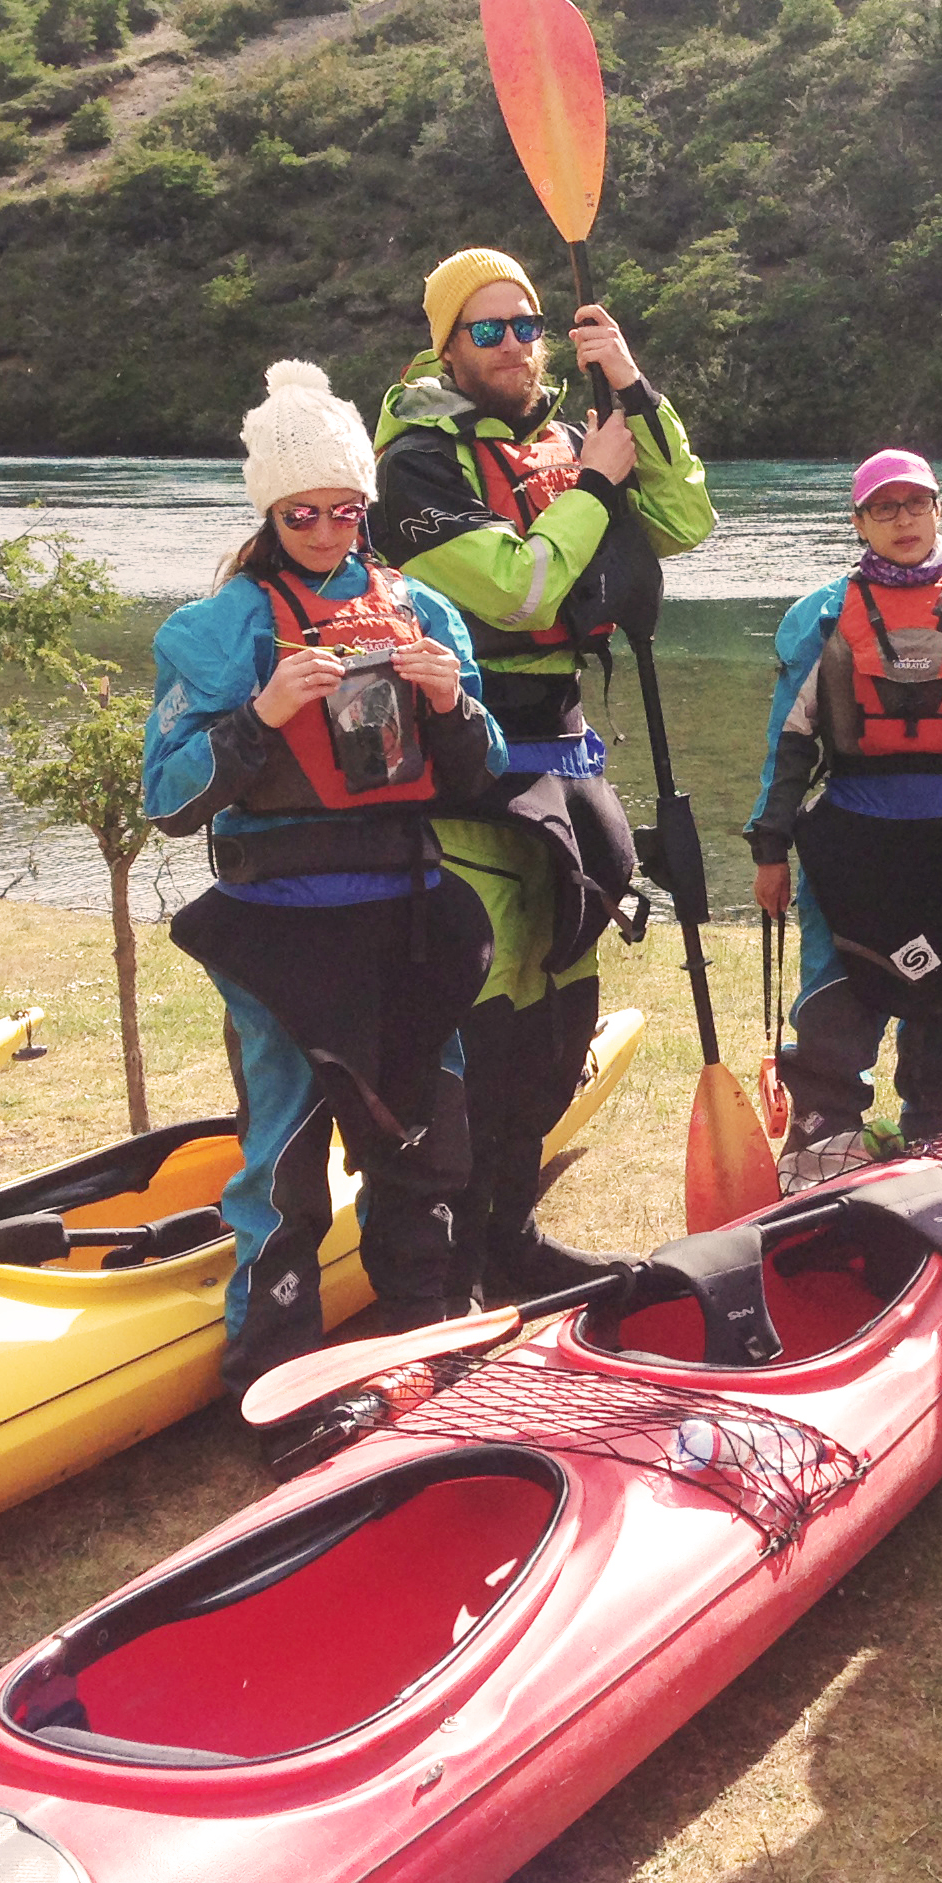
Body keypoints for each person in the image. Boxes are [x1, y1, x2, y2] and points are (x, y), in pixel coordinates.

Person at [146, 362, 504, 1389]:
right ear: (272, 511)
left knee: (423, 1141)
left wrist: (453, 707)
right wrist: (257, 721)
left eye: (349, 509)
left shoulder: (424, 611)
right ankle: (272, 1363)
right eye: (304, 512)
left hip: (409, 923)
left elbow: (477, 778)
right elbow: (169, 803)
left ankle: (426, 1330)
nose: (330, 530)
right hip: (282, 937)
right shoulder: (219, 630)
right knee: (285, 1163)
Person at [373, 249, 714, 1292]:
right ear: (447, 346)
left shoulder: (568, 440)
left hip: (566, 755)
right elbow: (516, 591)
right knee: (491, 1013)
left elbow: (686, 521)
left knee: (563, 1008)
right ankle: (451, 1255)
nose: (516, 345)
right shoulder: (415, 471)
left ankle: (513, 1236)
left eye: (526, 325)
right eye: (488, 330)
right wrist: (598, 482)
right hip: (472, 768)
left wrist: (636, 397)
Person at [745, 451, 942, 1185]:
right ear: (858, 522)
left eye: (916, 503)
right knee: (837, 984)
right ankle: (824, 1131)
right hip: (855, 837)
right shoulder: (820, 617)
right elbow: (787, 744)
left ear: (940, 510)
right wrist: (770, 846)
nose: (904, 520)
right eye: (884, 508)